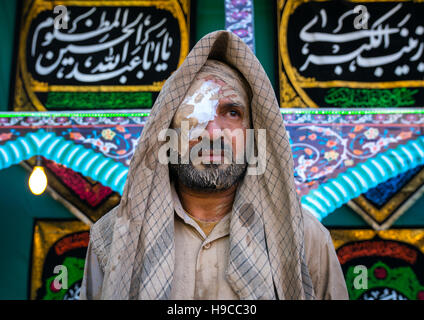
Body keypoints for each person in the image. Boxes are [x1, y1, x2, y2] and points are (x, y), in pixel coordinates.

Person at [80, 30, 349, 300]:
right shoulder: (113, 236)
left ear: (253, 133)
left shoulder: (305, 238)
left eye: (232, 113)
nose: (212, 132)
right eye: (195, 112)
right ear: (167, 131)